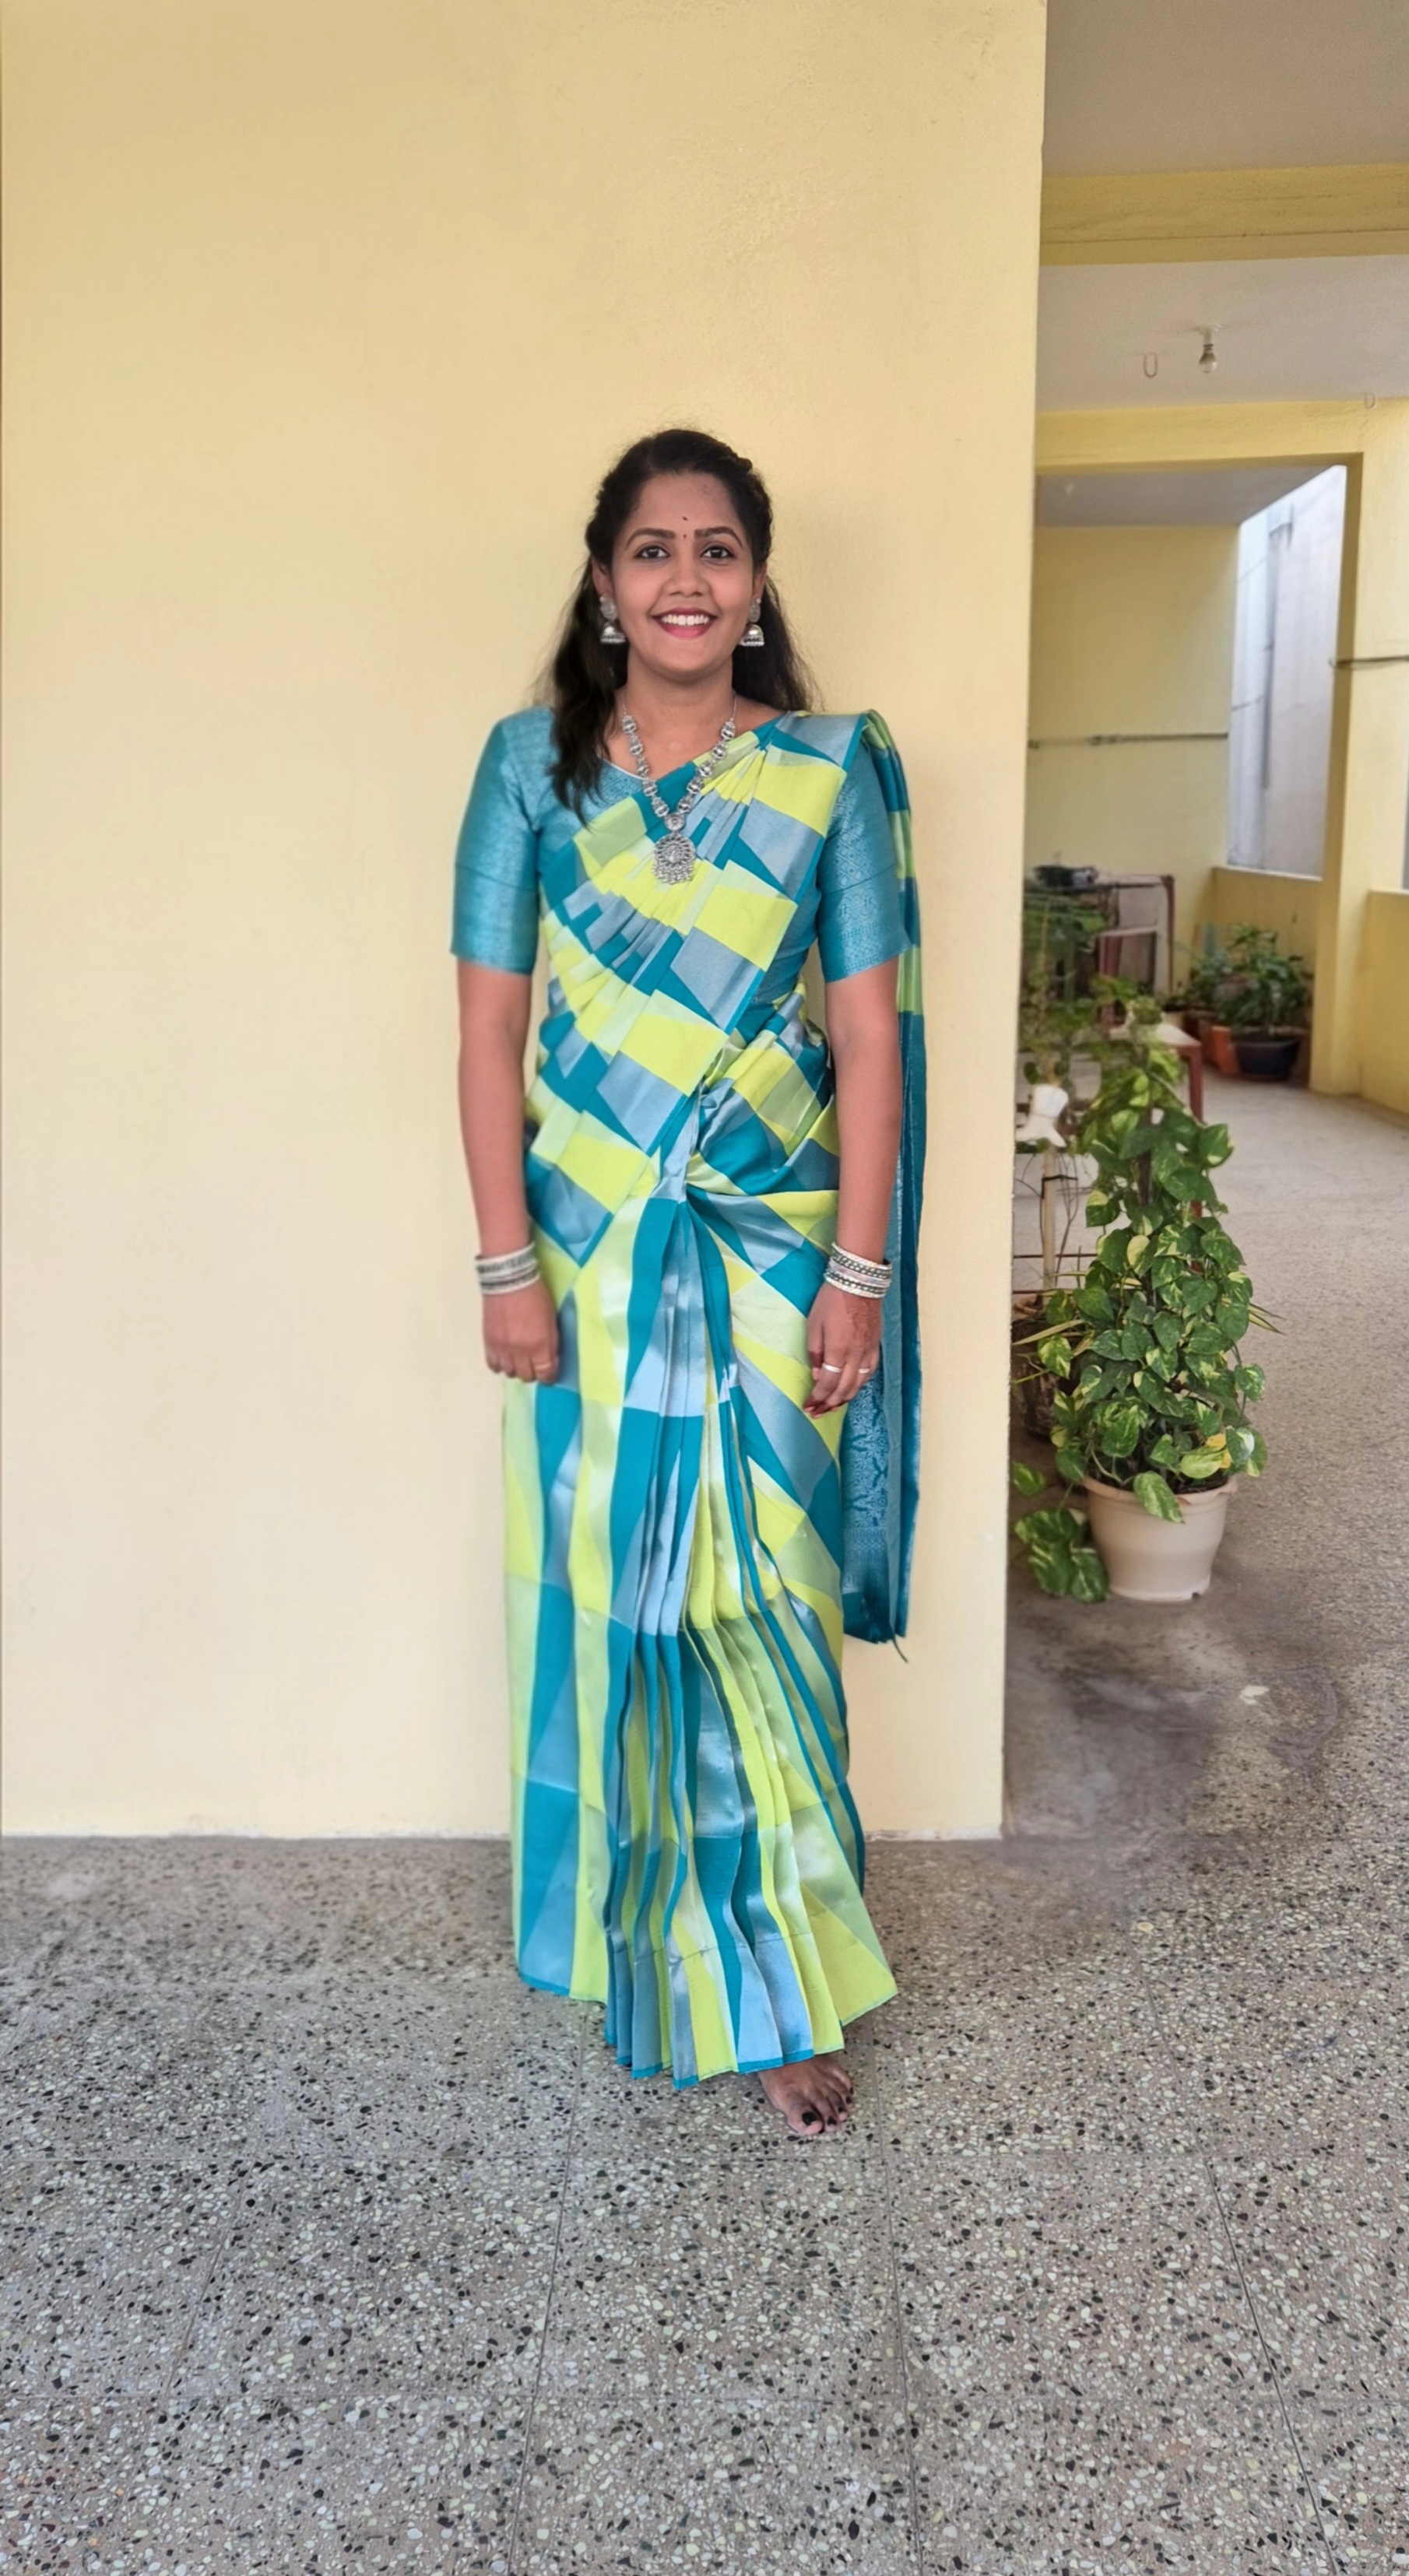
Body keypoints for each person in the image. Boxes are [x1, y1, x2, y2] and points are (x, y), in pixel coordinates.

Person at [452, 428, 923, 2137]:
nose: (685, 579)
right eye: (652, 550)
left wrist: (859, 1271)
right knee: (623, 1609)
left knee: (764, 1609)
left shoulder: (829, 774)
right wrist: (506, 1267)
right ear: (604, 583)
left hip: (774, 1252)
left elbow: (866, 1040)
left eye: (717, 549)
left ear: (757, 582)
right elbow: (488, 1034)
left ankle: (782, 1981)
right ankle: (636, 1936)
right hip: (588, 1259)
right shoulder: (527, 770)